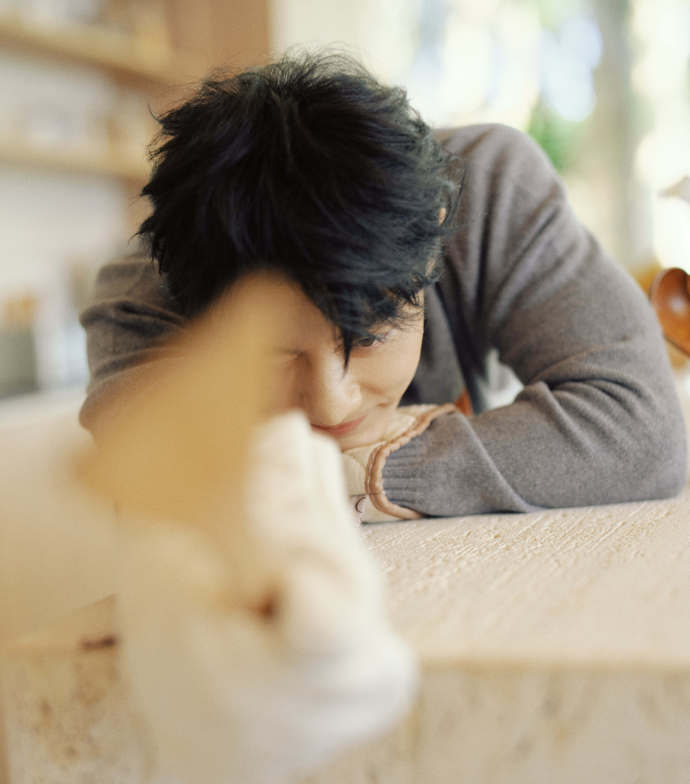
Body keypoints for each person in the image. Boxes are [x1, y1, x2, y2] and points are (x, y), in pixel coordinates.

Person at [80, 51, 687, 523]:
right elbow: (161, 496)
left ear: (435, 244)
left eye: (369, 335)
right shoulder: (151, 286)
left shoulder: (491, 188)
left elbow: (644, 436)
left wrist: (360, 475)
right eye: (275, 352)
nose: (332, 405)